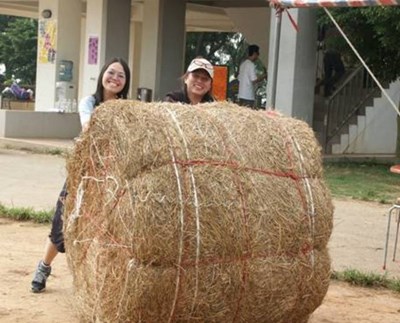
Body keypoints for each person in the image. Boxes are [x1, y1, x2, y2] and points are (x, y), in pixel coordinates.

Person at [31, 57, 131, 293]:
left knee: (109, 229)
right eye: (111, 73)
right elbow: (89, 126)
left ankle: (100, 282)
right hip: (85, 171)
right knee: (63, 221)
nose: (115, 79)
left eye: (121, 76)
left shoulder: (128, 109)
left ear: (126, 83)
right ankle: (44, 267)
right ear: (103, 75)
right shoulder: (89, 102)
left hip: (114, 176)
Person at [238, 44, 267, 108]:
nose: (258, 56)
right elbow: (254, 80)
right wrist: (264, 76)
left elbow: (239, 78)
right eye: (258, 54)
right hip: (248, 96)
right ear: (254, 53)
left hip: (241, 95)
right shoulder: (251, 65)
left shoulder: (243, 64)